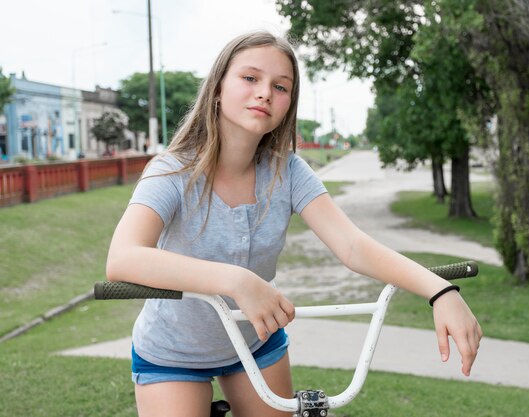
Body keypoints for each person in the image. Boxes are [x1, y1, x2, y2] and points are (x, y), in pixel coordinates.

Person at [106, 30, 482, 417]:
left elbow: (352, 246)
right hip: (173, 350)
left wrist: (441, 291)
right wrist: (237, 280)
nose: (265, 92)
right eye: (250, 78)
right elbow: (122, 258)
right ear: (218, 88)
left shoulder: (289, 172)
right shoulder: (172, 170)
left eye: (280, 86)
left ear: (289, 103)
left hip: (254, 341)